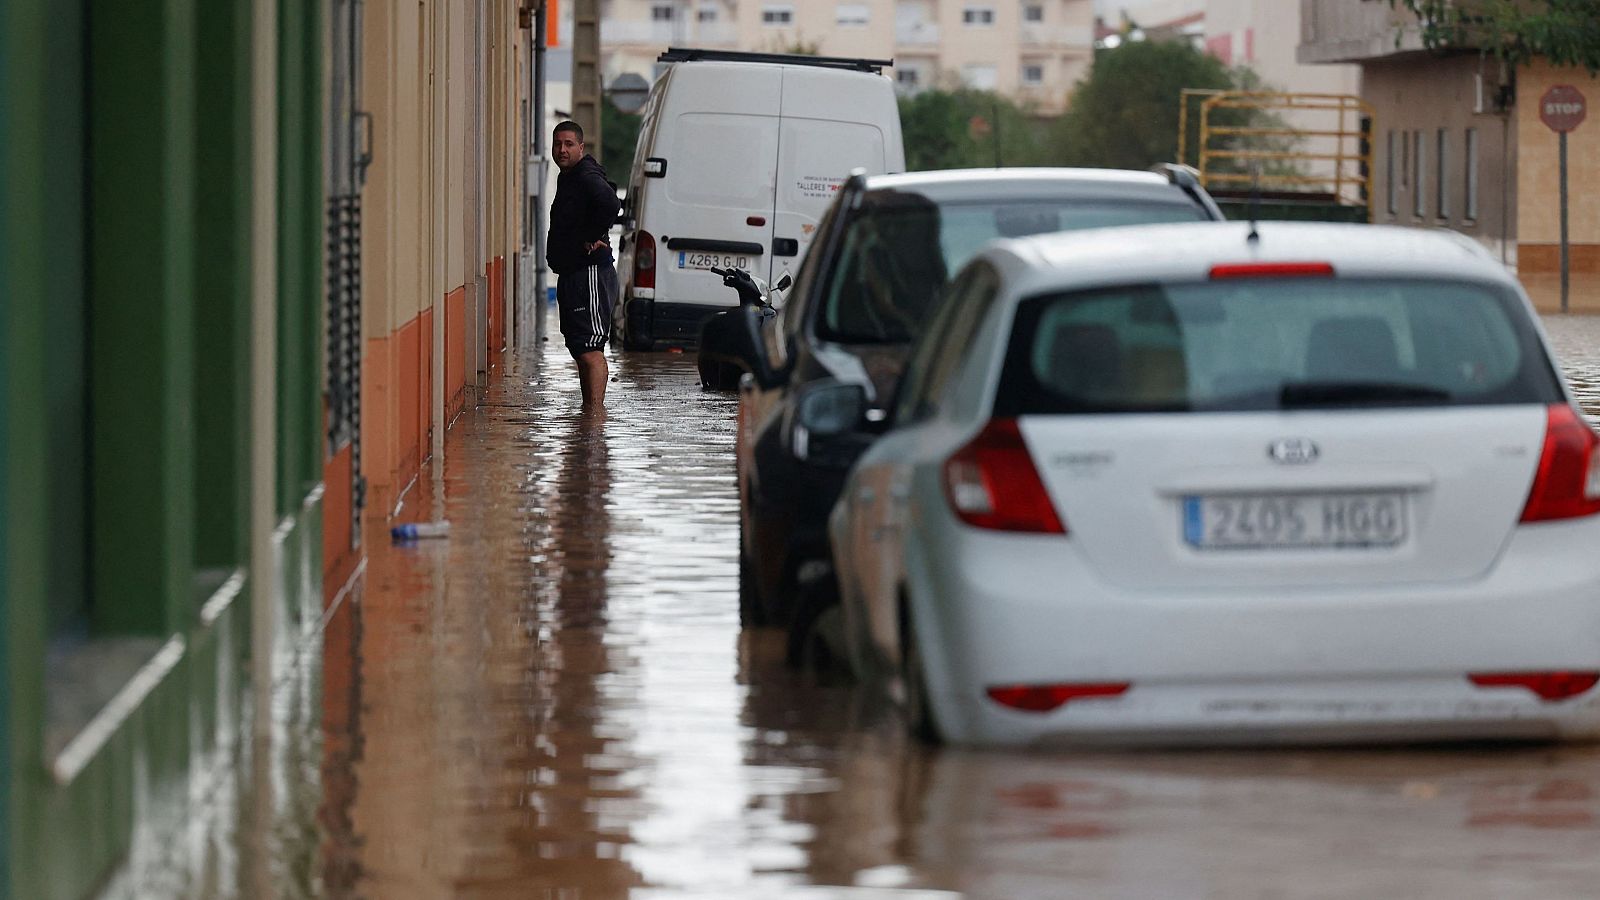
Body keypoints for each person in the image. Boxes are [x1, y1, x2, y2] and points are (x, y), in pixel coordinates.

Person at [547, 120, 621, 409]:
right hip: (573, 273)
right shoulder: (570, 176)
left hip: (589, 272)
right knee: (580, 347)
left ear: (581, 147)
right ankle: (588, 413)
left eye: (568, 144)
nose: (562, 150)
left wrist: (591, 236)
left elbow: (611, 204)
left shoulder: (586, 175)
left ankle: (595, 418)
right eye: (557, 144)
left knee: (591, 350)